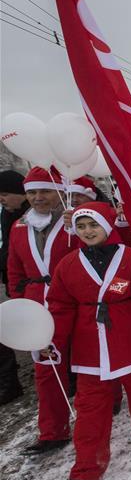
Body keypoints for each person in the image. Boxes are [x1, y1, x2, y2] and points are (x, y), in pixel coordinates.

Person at [46, 202, 131, 480]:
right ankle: (87, 468)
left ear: (107, 226)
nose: (87, 231)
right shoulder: (67, 265)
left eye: (93, 225)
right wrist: (51, 342)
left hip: (129, 343)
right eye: (81, 226)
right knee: (89, 407)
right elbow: (59, 307)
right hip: (90, 349)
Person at [6, 167, 81, 454]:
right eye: (32, 192)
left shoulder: (73, 220)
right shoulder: (19, 226)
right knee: (46, 368)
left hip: (73, 300)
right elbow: (14, 268)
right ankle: (53, 431)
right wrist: (19, 302)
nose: (38, 198)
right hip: (37, 305)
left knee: (88, 358)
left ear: (59, 192)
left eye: (44, 191)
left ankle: (106, 404)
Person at [0, 170, 28, 405]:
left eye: (5, 194)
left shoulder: (29, 216)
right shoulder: (7, 215)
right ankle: (8, 383)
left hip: (33, 284)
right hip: (15, 283)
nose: (2, 199)